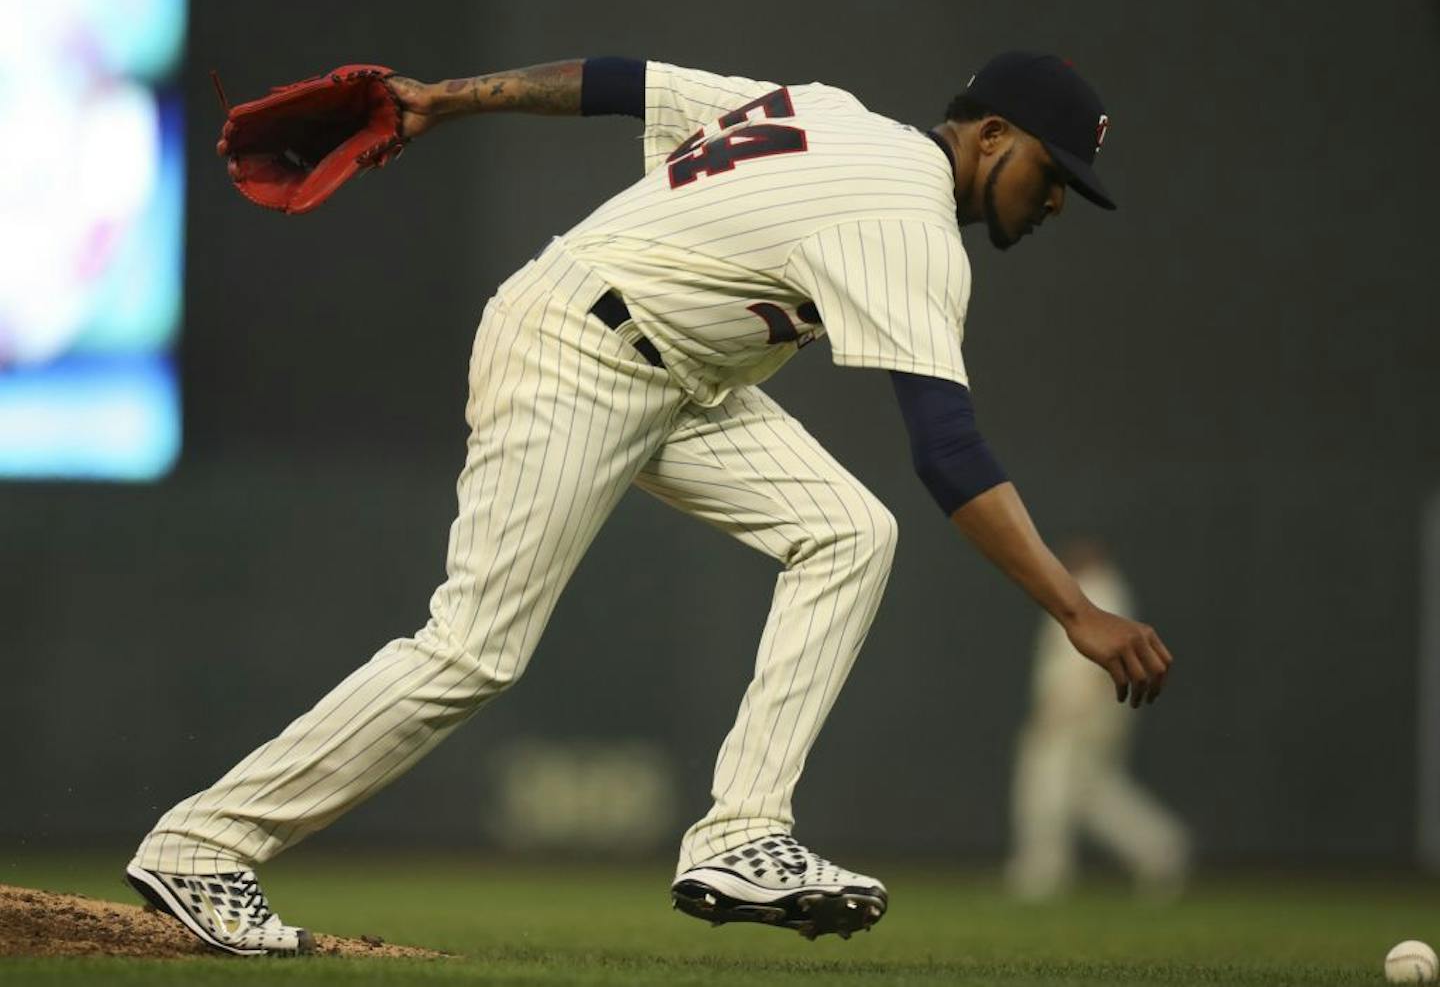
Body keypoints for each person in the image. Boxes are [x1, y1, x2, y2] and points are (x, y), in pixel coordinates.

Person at [124, 52, 1173, 955]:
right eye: (1053, 168)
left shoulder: (826, 110)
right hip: (579, 352)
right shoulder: (909, 219)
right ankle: (207, 844)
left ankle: (740, 834)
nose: (1056, 199)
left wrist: (446, 96)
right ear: (991, 135)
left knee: (848, 532)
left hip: (667, 372)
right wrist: (1075, 609)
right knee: (474, 647)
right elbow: (948, 450)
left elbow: (624, 82)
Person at [1005, 538, 1191, 901]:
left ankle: (1042, 871)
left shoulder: (1097, 593)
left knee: (1047, 786)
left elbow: (1089, 664)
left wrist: (1064, 709)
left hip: (1078, 712)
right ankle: (1161, 848)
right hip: (1091, 713)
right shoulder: (1094, 591)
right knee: (1093, 796)